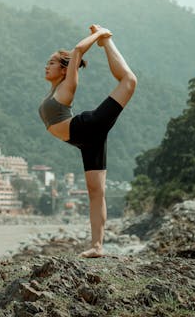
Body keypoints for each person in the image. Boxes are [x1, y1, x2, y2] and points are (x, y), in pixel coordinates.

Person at [38, 24, 137, 258]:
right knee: (96, 193)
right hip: (84, 141)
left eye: (52, 62)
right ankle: (97, 246)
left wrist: (99, 35)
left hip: (87, 126)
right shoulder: (52, 92)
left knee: (129, 81)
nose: (47, 65)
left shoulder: (67, 85)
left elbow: (78, 50)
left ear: (64, 69)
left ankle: (108, 40)